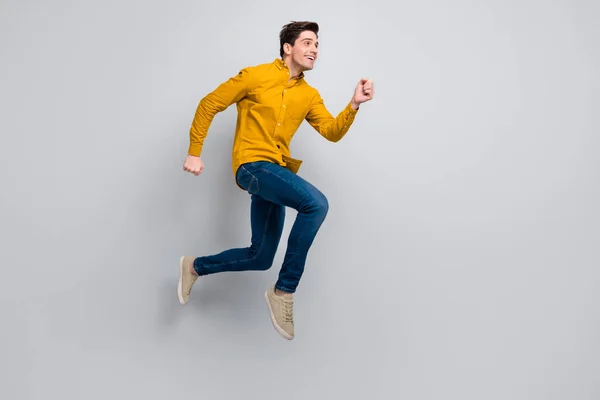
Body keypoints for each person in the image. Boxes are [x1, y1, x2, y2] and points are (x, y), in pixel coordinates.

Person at [177, 21, 374, 340]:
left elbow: (331, 132)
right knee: (316, 204)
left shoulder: (309, 95)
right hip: (251, 165)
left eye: (317, 45)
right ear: (288, 47)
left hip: (275, 172)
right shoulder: (255, 76)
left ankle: (194, 266)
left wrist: (353, 105)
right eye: (308, 42)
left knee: (261, 256)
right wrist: (194, 152)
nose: (314, 49)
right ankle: (284, 291)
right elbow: (209, 104)